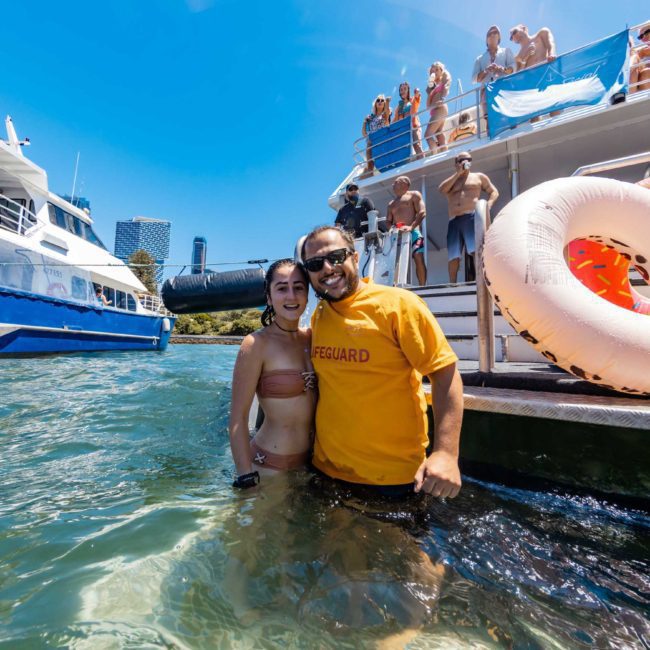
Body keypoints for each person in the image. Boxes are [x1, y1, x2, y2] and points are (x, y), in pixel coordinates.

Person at [301, 225, 463, 499]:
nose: (327, 268)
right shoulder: (320, 315)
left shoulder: (399, 305)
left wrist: (446, 453)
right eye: (315, 264)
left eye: (336, 257)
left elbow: (444, 373)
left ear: (355, 257)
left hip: (393, 478)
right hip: (326, 472)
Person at [228, 259, 316, 489]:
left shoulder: (315, 338)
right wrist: (246, 477)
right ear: (268, 297)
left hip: (310, 468)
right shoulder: (256, 344)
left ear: (307, 294)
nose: (291, 296)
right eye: (281, 288)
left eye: (298, 288)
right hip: (267, 467)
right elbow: (237, 419)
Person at [438, 151, 498, 283]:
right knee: (453, 256)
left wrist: (488, 206)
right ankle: (452, 284)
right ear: (456, 163)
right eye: (462, 160)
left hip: (471, 217)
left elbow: (494, 192)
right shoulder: (452, 180)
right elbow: (441, 190)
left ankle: (481, 282)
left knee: (475, 251)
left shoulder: (479, 177)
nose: (466, 162)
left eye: (468, 159)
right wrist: (458, 173)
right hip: (454, 220)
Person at [510, 23, 560, 120]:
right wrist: (525, 57)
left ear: (524, 28)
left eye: (514, 32)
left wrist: (552, 54)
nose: (513, 36)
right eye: (511, 37)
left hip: (546, 76)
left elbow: (551, 44)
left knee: (554, 108)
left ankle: (560, 130)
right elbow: (518, 75)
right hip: (531, 84)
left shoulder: (542, 33)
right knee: (534, 115)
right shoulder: (517, 57)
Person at [386, 175, 427, 286]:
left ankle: (422, 286)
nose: (393, 185)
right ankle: (396, 285)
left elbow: (422, 212)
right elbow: (388, 222)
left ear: (404, 183)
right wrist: (393, 229)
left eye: (395, 182)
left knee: (418, 257)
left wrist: (411, 227)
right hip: (397, 236)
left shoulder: (414, 195)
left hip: (414, 233)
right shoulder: (391, 204)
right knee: (396, 261)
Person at [424, 62, 451, 154]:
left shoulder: (444, 77)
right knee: (438, 133)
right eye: (432, 71)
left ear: (441, 70)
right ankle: (445, 153)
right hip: (434, 110)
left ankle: (434, 155)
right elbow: (428, 100)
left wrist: (442, 98)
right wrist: (431, 83)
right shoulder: (432, 84)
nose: (434, 72)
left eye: (436, 70)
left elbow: (447, 86)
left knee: (427, 135)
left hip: (440, 108)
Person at [392, 81, 423, 158]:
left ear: (408, 90)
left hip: (413, 126)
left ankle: (422, 162)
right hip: (404, 129)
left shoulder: (412, 99)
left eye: (404, 89)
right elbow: (395, 120)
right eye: (401, 90)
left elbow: (417, 98)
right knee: (405, 150)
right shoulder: (399, 107)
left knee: (417, 145)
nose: (402, 91)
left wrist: (417, 93)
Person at [362, 94, 392, 173]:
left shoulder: (384, 115)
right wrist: (365, 122)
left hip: (381, 139)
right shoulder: (371, 118)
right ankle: (370, 170)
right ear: (375, 103)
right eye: (378, 100)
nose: (380, 102)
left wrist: (388, 102)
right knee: (369, 144)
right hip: (372, 142)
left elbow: (387, 117)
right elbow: (364, 134)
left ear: (384, 104)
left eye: (382, 100)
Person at [631, 24, 650, 93]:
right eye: (640, 37)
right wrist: (640, 55)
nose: (644, 38)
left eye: (647, 32)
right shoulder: (640, 51)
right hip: (639, 85)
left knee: (646, 72)